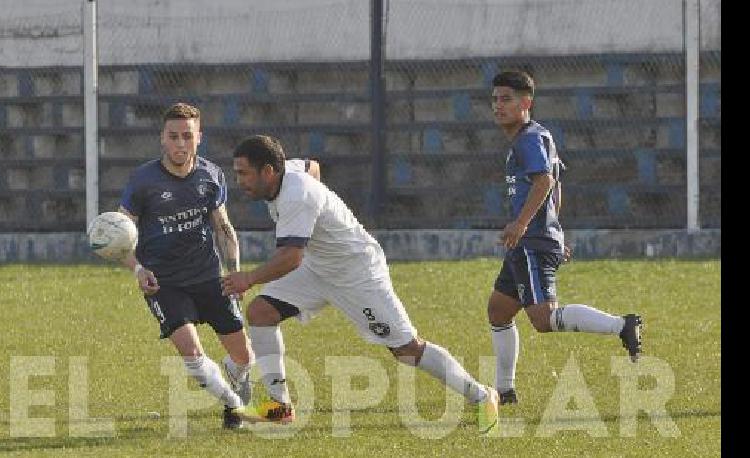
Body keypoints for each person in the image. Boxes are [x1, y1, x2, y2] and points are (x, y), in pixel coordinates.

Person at [221, 135, 500, 435]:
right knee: (261, 312)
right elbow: (313, 167)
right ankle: (280, 407)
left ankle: (483, 396)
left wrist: (247, 278)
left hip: (356, 274)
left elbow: (290, 258)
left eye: (243, 173)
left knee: (406, 349)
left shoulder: (296, 195)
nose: (239, 181)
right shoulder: (288, 171)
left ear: (267, 172)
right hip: (318, 268)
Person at [486, 70, 643, 405]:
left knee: (543, 319)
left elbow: (544, 182)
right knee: (499, 311)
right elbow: (557, 186)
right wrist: (553, 230)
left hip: (529, 243)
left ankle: (622, 325)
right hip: (532, 241)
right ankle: (504, 391)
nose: (498, 106)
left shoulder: (529, 139)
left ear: (526, 103)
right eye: (495, 99)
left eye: (506, 99)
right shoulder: (535, 136)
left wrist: (524, 225)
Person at [117, 102, 254, 429]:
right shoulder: (143, 181)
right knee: (191, 353)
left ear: (199, 138)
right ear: (162, 139)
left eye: (187, 137)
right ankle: (234, 407)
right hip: (164, 284)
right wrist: (138, 269)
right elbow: (122, 237)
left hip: (209, 277)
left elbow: (224, 227)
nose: (180, 144)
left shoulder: (210, 175)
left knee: (244, 357)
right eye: (173, 136)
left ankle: (234, 383)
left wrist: (234, 272)